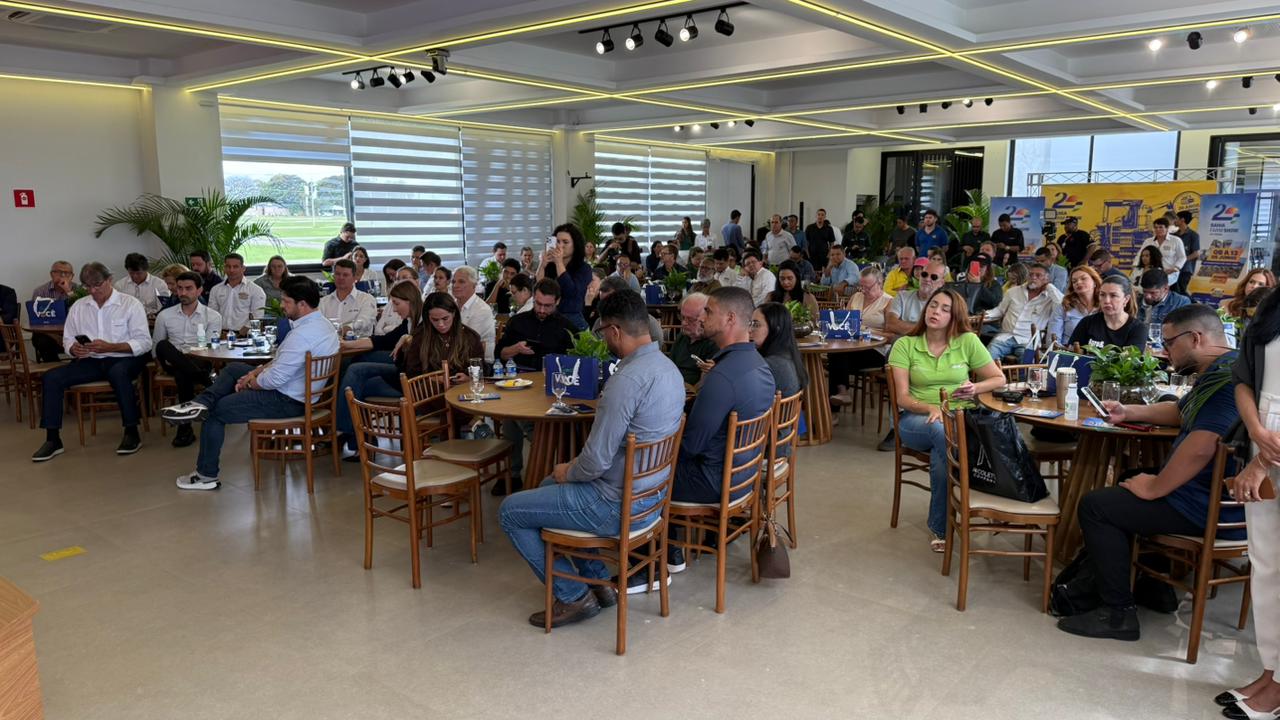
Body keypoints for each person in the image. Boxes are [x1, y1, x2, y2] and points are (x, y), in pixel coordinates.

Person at [499, 289, 685, 625]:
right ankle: (598, 585)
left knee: (511, 511)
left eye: (602, 333)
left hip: (617, 504)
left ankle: (572, 596)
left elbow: (594, 462)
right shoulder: (669, 369)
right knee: (544, 486)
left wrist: (566, 469)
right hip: (652, 497)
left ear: (613, 331)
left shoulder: (625, 380)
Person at [1056, 304, 1242, 641]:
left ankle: (1117, 614)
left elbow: (1203, 444)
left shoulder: (1226, 381)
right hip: (1212, 494)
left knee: (1097, 506)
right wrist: (1128, 411)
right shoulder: (1226, 367)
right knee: (1133, 476)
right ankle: (1155, 588)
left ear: (1196, 338)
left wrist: (1156, 486)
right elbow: (1180, 413)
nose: (1164, 351)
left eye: (1169, 343)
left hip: (1211, 505)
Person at [162, 277, 340, 491]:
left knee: (216, 413)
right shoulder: (323, 325)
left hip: (287, 400)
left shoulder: (301, 336)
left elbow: (275, 379)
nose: (282, 305)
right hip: (300, 391)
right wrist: (255, 371)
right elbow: (281, 362)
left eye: (286, 301)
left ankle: (205, 475)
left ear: (302, 304)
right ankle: (200, 402)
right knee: (235, 368)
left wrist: (251, 382)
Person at [888, 287, 1004, 551]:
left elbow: (999, 379)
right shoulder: (906, 344)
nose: (935, 312)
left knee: (944, 455)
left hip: (959, 418)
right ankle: (980, 495)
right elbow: (902, 398)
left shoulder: (967, 341)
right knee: (942, 431)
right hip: (915, 420)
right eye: (933, 305)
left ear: (955, 316)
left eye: (944, 309)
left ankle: (941, 527)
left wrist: (974, 388)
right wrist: (930, 408)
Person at [672, 287, 776, 568]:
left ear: (730, 319)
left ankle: (654, 560)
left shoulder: (722, 376)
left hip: (714, 482)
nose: (703, 317)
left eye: (708, 311)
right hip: (745, 476)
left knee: (637, 472)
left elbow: (692, 445)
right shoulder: (759, 364)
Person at [1221, 288, 1280, 716]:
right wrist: (1256, 431)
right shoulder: (1272, 305)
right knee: (1267, 567)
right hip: (1264, 435)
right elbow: (1243, 378)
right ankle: (1271, 671)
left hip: (1269, 453)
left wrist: (1262, 459)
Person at [30, 262, 153, 462]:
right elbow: (68, 338)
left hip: (125, 358)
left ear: (109, 280)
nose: (93, 291)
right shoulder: (79, 306)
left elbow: (145, 342)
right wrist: (73, 348)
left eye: (97, 285)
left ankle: (132, 431)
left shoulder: (130, 304)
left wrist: (111, 347)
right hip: (91, 360)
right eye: (88, 286)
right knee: (51, 377)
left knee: (118, 373)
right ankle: (53, 439)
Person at [333, 282, 430, 456]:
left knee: (355, 372)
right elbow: (381, 341)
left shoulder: (426, 323)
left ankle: (345, 430)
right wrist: (346, 345)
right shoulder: (408, 322)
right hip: (401, 367)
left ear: (410, 301)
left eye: (396, 303)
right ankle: (357, 436)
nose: (393, 309)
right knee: (354, 365)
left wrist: (407, 339)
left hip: (409, 376)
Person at [152, 271, 224, 448]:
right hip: (171, 359)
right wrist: (164, 361)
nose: (183, 293)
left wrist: (185, 360)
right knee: (163, 345)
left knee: (182, 373)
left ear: (199, 291)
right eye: (180, 288)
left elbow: (209, 347)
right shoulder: (165, 315)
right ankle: (205, 381)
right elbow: (156, 348)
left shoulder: (213, 316)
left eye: (188, 288)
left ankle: (185, 430)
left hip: (198, 359)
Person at [830, 267, 894, 407]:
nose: (863, 291)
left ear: (880, 283)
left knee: (838, 358)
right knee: (835, 353)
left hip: (876, 350)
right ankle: (840, 395)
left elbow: (891, 336)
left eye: (868, 287)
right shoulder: (856, 297)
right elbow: (844, 322)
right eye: (861, 286)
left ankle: (838, 399)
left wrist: (866, 331)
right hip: (853, 346)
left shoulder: (889, 302)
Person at [497, 278, 576, 373]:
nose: (542, 310)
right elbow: (499, 355)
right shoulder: (516, 321)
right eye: (538, 304)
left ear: (557, 301)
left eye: (547, 306)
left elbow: (574, 364)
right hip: (517, 377)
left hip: (550, 377)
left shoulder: (567, 328)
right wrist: (516, 348)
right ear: (533, 297)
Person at [984, 262, 1063, 359]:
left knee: (1027, 363)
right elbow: (1000, 311)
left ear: (1046, 279)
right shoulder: (1013, 291)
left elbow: (1062, 306)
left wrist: (1049, 287)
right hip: (1006, 336)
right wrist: (985, 315)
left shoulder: (1050, 298)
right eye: (1031, 274)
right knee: (986, 357)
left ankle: (1021, 374)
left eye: (1038, 275)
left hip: (1029, 340)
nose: (1033, 277)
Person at [1068, 275, 1145, 350]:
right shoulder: (1087, 322)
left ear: (1126, 299)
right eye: (1102, 295)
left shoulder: (1137, 328)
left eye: (1113, 295)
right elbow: (1071, 351)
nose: (1107, 301)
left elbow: (1131, 360)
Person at [750, 302, 809, 399]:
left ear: (776, 329)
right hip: (787, 414)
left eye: (756, 325)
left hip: (774, 414)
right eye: (750, 323)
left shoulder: (769, 365)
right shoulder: (789, 355)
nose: (749, 330)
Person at [29, 260, 83, 360]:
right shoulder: (40, 291)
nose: (62, 275)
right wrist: (56, 336)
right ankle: (54, 368)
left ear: (72, 275)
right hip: (49, 335)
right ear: (51, 274)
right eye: (58, 272)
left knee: (86, 341)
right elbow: (37, 321)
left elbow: (83, 313)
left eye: (66, 273)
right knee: (41, 340)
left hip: (74, 334)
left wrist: (68, 291)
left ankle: (76, 368)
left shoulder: (80, 290)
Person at [544, 223, 593, 331]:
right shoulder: (550, 266)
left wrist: (559, 263)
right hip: (549, 318)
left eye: (565, 242)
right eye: (557, 241)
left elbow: (571, 292)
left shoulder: (584, 268)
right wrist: (542, 265)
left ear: (575, 245)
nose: (560, 246)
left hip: (573, 321)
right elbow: (538, 288)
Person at [207, 253, 266, 337]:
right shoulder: (216, 289)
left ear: (243, 268)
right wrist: (218, 332)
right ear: (224, 268)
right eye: (228, 266)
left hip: (244, 335)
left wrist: (241, 332)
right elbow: (212, 314)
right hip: (221, 335)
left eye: (235, 267)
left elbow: (257, 316)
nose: (231, 270)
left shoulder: (255, 290)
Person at [885, 259, 947, 336]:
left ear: (941, 283)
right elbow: (890, 325)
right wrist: (926, 330)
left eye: (933, 277)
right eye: (924, 274)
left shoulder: (946, 305)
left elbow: (942, 333)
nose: (927, 279)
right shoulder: (902, 296)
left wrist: (902, 326)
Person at [667, 292, 717, 386]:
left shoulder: (714, 342)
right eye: (682, 317)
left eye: (690, 319)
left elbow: (705, 384)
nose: (684, 323)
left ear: (706, 318)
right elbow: (670, 366)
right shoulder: (683, 336)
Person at [318, 259, 377, 337]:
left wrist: (347, 328)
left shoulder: (367, 299)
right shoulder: (323, 301)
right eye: (337, 274)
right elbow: (318, 325)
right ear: (333, 276)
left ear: (354, 277)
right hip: (329, 345)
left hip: (357, 346)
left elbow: (364, 322)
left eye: (345, 275)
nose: (341, 278)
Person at [591, 277, 662, 342]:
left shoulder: (646, 321)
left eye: (610, 301)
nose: (605, 307)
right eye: (602, 302)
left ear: (625, 297)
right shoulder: (599, 324)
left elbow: (657, 344)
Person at [450, 265, 496, 364]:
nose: (455, 285)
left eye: (461, 282)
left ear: (474, 285)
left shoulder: (482, 309)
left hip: (480, 363)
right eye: (453, 282)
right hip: (455, 357)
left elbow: (467, 341)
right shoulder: (450, 305)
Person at [1139, 217, 1187, 287]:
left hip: (1169, 274)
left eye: (1161, 227)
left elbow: (1182, 257)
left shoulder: (1176, 240)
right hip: (1152, 273)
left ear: (1167, 228)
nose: (1158, 229)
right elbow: (1139, 255)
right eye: (1155, 227)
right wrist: (1135, 267)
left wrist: (1175, 268)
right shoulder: (1148, 241)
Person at [1058, 265, 1101, 344]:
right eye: (1074, 281)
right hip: (1068, 352)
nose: (1078, 282)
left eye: (1083, 278)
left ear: (1094, 282)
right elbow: (1054, 338)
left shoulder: (1105, 305)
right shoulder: (1064, 306)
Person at [1172, 210, 1201, 296]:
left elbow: (1196, 253)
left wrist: (1181, 261)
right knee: (1173, 291)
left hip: (1185, 269)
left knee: (1181, 291)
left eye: (1176, 218)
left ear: (1182, 220)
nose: (1174, 221)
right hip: (1172, 269)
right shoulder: (1173, 235)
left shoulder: (1193, 235)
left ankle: (1193, 305)